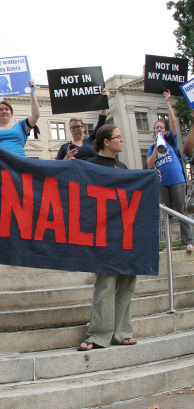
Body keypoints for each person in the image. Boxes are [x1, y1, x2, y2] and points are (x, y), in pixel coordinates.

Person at [78, 125, 138, 350]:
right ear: (105, 141)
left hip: (126, 233)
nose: (122, 140)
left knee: (126, 284)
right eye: (118, 137)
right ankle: (99, 335)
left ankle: (122, 332)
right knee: (106, 284)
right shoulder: (90, 165)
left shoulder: (122, 166)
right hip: (103, 233)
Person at [147, 90, 192, 252]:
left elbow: (173, 122)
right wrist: (156, 148)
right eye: (156, 127)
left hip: (177, 181)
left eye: (161, 127)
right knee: (167, 214)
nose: (159, 129)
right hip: (163, 184)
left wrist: (167, 102)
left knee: (181, 211)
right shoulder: (153, 147)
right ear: (154, 132)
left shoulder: (170, 140)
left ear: (165, 131)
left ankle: (188, 242)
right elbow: (150, 164)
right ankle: (169, 245)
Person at [56, 88, 110, 160]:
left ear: (83, 128)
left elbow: (101, 122)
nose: (76, 130)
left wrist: (104, 99)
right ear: (70, 130)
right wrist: (67, 157)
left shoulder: (91, 141)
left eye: (78, 127)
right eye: (73, 127)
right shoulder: (65, 147)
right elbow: (57, 166)